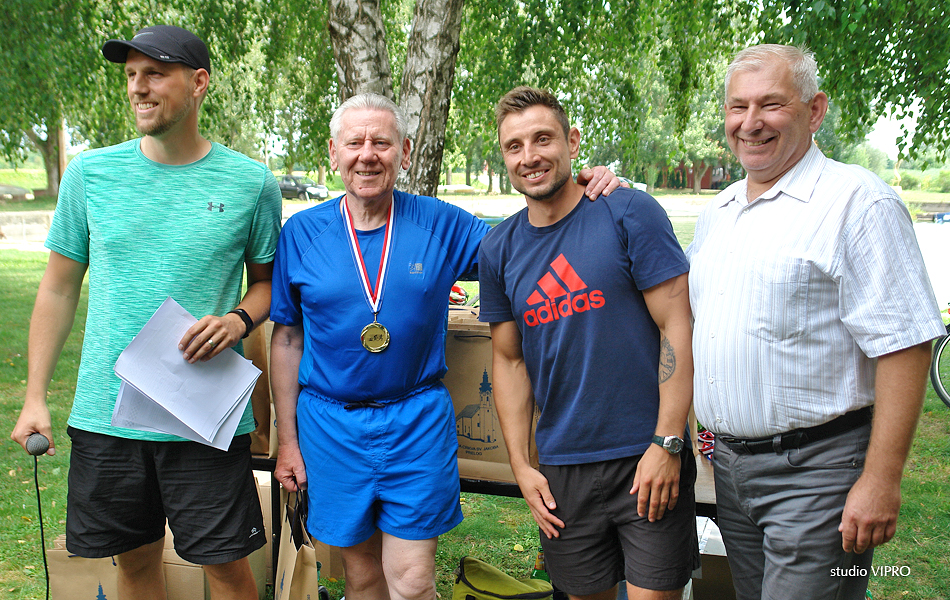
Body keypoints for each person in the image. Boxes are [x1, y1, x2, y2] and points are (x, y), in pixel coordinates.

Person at [270, 93, 623, 600]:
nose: (367, 155)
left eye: (382, 143)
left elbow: (526, 242)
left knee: (412, 581)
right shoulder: (302, 233)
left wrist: (584, 189)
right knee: (361, 576)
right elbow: (286, 337)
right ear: (333, 151)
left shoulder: (439, 223)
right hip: (331, 426)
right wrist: (288, 442)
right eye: (354, 143)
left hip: (415, 422)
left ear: (405, 152)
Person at [10, 25, 281, 600]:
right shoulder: (90, 175)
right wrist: (35, 397)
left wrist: (236, 321)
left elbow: (267, 286)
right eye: (131, 75)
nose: (138, 87)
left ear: (198, 83)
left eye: (154, 73)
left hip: (204, 415)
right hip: (108, 416)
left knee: (228, 570)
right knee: (133, 565)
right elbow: (57, 290)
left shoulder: (251, 182)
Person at [687, 44, 945, 600]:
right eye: (738, 107)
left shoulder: (858, 203)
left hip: (817, 474)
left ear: (815, 110)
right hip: (731, 470)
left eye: (771, 104)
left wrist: (881, 479)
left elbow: (905, 347)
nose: (750, 123)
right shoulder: (718, 213)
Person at [478, 86, 699, 600]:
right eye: (514, 146)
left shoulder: (628, 212)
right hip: (563, 471)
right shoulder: (498, 249)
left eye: (543, 139)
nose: (529, 156)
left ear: (572, 141)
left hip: (644, 455)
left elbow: (677, 325)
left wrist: (668, 442)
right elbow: (508, 362)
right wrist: (521, 466)